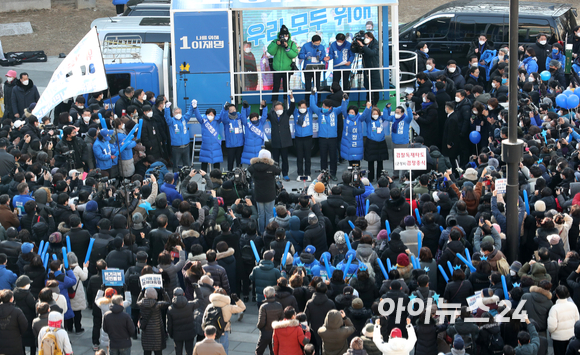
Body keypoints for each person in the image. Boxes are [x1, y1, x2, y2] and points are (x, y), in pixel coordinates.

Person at [310, 91, 346, 181]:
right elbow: (313, 105)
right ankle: (323, 174)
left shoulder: (335, 111)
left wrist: (345, 100)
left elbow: (343, 108)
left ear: (330, 107)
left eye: (324, 106)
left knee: (333, 157)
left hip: (333, 138)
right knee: (323, 157)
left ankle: (333, 174)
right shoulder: (320, 111)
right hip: (322, 138)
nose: (323, 107)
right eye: (322, 106)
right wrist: (312, 95)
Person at [203, 288, 246, 354]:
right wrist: (237, 300)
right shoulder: (228, 307)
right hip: (222, 332)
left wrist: (205, 330)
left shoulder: (209, 306)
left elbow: (204, 320)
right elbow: (242, 308)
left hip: (210, 333)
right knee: (224, 351)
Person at [248, 149, 281, 233]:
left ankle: (261, 232)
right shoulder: (272, 168)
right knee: (269, 214)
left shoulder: (253, 167)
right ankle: (268, 231)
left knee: (261, 215)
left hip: (259, 194)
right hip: (270, 194)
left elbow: (249, 169)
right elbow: (279, 170)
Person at [267, 25, 298, 103]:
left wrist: (287, 47)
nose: (284, 37)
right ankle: (274, 103)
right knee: (276, 86)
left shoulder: (291, 43)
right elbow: (271, 51)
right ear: (280, 35)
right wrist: (276, 45)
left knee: (286, 87)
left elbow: (294, 55)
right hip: (277, 69)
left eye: (286, 35)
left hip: (287, 69)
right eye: (283, 35)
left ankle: (286, 102)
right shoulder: (275, 42)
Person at [266, 97, 295, 180]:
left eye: (281, 108)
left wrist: (292, 99)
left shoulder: (286, 113)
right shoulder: (271, 114)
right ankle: (276, 174)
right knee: (275, 160)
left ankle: (285, 174)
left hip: (285, 141)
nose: (279, 109)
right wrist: (263, 107)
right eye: (278, 108)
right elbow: (263, 114)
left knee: (285, 159)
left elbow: (292, 107)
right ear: (274, 109)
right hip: (275, 141)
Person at [137, 287, 171, 355]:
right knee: (158, 351)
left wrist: (141, 292)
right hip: (157, 332)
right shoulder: (158, 305)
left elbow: (137, 301)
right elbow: (168, 302)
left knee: (147, 351)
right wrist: (164, 292)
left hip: (146, 332)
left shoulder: (141, 304)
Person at [192, 99, 223, 172]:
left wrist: (224, 109)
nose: (210, 115)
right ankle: (204, 177)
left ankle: (216, 177)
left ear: (214, 115)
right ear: (206, 115)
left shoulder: (217, 121)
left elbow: (222, 115)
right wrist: (195, 108)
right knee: (204, 162)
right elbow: (198, 115)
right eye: (209, 114)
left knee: (216, 162)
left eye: (212, 114)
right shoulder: (203, 121)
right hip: (206, 145)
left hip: (216, 145)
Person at [548, 285, 580, 354]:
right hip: (571, 335)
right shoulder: (573, 305)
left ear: (557, 295)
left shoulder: (554, 308)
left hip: (558, 338)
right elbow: (577, 321)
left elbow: (551, 327)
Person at [299, 35, 329, 104]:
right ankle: (307, 102)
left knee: (317, 86)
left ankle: (318, 102)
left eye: (318, 43)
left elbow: (323, 57)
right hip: (307, 68)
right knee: (308, 86)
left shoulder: (321, 47)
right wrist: (305, 55)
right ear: (312, 42)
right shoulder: (306, 46)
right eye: (316, 43)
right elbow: (300, 55)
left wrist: (321, 57)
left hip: (317, 68)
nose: (317, 45)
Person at [167, 287, 197, 355]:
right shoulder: (190, 305)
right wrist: (197, 289)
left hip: (177, 334)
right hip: (189, 333)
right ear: (183, 294)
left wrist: (171, 334)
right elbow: (200, 300)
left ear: (174, 296)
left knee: (178, 351)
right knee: (189, 351)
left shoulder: (170, 309)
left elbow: (169, 324)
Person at [256, 286, 284, 355]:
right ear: (274, 295)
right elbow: (282, 319)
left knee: (259, 351)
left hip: (265, 333)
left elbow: (261, 322)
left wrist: (259, 327)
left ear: (265, 295)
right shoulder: (279, 305)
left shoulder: (263, 307)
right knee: (273, 351)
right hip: (275, 332)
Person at [357, 32, 381, 105]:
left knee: (375, 86)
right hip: (366, 67)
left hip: (373, 68)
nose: (365, 39)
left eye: (367, 37)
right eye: (365, 37)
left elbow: (372, 53)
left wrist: (363, 46)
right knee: (367, 85)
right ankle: (368, 101)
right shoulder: (365, 45)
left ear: (371, 38)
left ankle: (375, 102)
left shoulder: (375, 44)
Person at [292, 98, 314, 180]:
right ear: (298, 107)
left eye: (304, 107)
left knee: (308, 157)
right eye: (301, 107)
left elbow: (313, 104)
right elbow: (292, 105)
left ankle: (308, 174)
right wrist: (290, 97)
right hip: (298, 138)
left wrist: (313, 94)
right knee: (299, 157)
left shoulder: (310, 111)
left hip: (308, 137)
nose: (302, 109)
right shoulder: (295, 112)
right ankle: (300, 174)